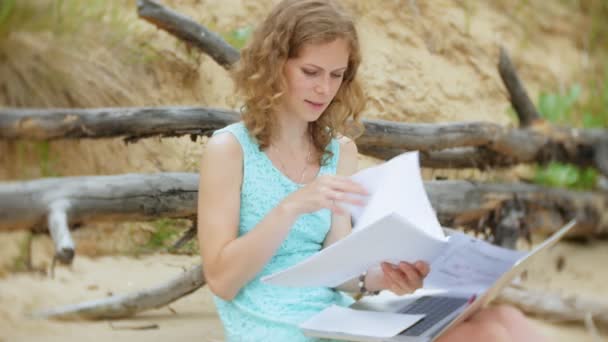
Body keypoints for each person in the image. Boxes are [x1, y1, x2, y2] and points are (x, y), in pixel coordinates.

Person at [197, 0, 547, 341]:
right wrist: (290, 208)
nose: (325, 89)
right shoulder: (229, 150)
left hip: (334, 316)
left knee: (504, 318)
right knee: (486, 336)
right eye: (310, 72)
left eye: (337, 75)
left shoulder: (339, 152)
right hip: (274, 325)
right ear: (275, 66)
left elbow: (338, 270)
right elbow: (222, 282)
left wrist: (384, 278)